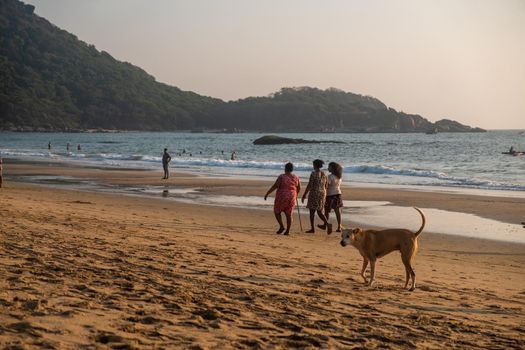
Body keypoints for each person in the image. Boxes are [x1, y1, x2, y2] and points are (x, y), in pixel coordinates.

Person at [265, 162, 301, 235]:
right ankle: (287, 231)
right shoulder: (296, 177)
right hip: (292, 196)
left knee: (277, 211)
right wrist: (296, 194)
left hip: (282, 196)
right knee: (289, 214)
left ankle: (281, 226)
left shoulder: (281, 177)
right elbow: (299, 188)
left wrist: (267, 193)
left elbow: (275, 186)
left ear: (285, 169)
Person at [302, 159, 331, 234]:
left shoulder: (313, 173)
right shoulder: (324, 174)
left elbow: (310, 185)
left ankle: (312, 229)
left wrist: (304, 194)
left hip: (314, 193)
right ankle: (327, 224)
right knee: (319, 211)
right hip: (322, 193)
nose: (313, 166)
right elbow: (326, 185)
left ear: (315, 165)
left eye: (313, 164)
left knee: (312, 211)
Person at [323, 162, 344, 232]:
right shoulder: (339, 177)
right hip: (338, 193)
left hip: (330, 195)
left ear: (332, 168)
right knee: (337, 211)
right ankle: (339, 226)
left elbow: (326, 186)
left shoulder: (330, 176)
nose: (328, 168)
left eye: (329, 167)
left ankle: (325, 224)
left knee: (327, 211)